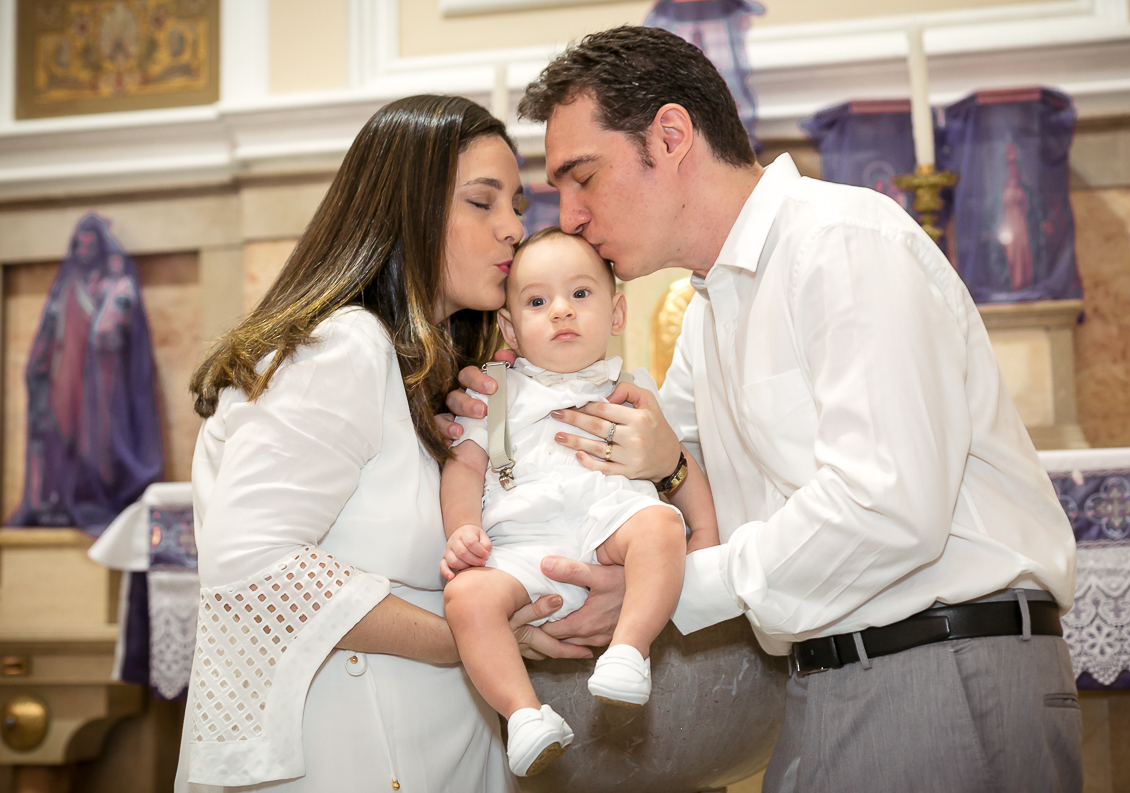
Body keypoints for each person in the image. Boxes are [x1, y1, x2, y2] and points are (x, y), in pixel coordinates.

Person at [447, 26, 1082, 793]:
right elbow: (650, 479)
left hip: (938, 661)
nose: (571, 215)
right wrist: (506, 420)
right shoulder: (710, 310)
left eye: (583, 177)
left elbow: (886, 503)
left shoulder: (841, 242)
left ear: (671, 136)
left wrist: (671, 588)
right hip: (826, 673)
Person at [174, 95, 584, 793]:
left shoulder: (430, 370)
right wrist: (470, 639)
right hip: (351, 751)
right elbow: (251, 558)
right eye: (482, 202)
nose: (514, 228)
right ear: (405, 209)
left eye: (516, 205)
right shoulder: (345, 344)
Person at [440, 227, 718, 776]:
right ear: (509, 328)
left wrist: (704, 531)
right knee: (467, 597)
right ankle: (524, 716)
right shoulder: (492, 395)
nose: (561, 311)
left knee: (660, 525)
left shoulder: (631, 390)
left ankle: (628, 653)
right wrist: (462, 529)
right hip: (523, 548)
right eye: (537, 302)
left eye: (581, 294)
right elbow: (464, 467)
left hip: (609, 528)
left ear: (616, 314)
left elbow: (677, 462)